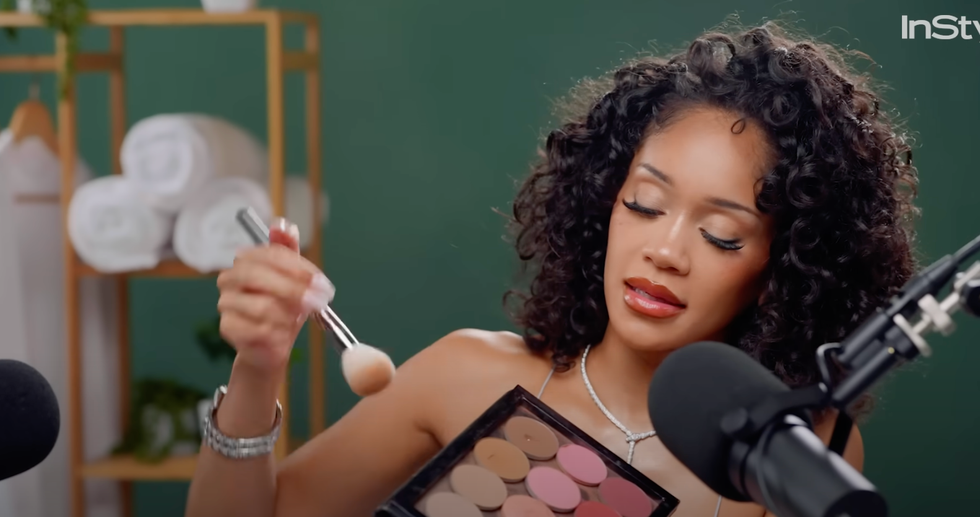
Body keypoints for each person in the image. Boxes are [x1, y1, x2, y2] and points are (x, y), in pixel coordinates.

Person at [185, 20, 918, 517]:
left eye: (722, 236)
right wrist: (256, 369)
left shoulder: (793, 451)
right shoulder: (464, 375)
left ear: (784, 265)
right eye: (644, 204)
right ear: (603, 202)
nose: (665, 250)